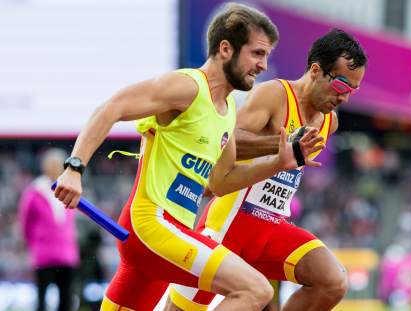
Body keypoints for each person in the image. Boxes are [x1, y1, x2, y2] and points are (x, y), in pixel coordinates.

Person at [53, 3, 325, 311]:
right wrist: (74, 168)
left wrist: (279, 162)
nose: (263, 65)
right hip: (151, 225)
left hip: (167, 236)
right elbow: (110, 108)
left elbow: (221, 183)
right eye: (257, 53)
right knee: (256, 289)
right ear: (226, 48)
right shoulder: (187, 86)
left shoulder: (227, 109)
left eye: (266, 56)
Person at [166, 28, 368, 311]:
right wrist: (282, 146)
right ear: (315, 70)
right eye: (342, 86)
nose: (345, 98)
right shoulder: (275, 94)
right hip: (228, 227)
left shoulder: (328, 122)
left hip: (271, 229)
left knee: (333, 282)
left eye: (353, 90)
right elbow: (227, 141)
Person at [18, 148, 80, 311]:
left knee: (66, 297)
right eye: (51, 166)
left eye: (57, 166)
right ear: (44, 168)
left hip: (66, 253)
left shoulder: (69, 188)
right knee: (42, 297)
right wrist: (34, 244)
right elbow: (25, 223)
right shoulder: (34, 191)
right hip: (43, 253)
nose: (54, 170)